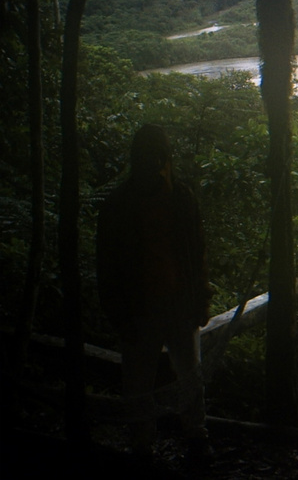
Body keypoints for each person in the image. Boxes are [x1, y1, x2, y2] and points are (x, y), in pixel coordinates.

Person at [97, 124, 212, 458]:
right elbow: (108, 266)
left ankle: (195, 433)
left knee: (189, 376)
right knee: (138, 382)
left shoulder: (180, 199)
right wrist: (118, 314)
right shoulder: (119, 207)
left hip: (179, 304)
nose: (155, 164)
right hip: (139, 307)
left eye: (159, 156)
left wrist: (201, 299)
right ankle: (142, 441)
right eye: (148, 156)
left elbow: (197, 252)